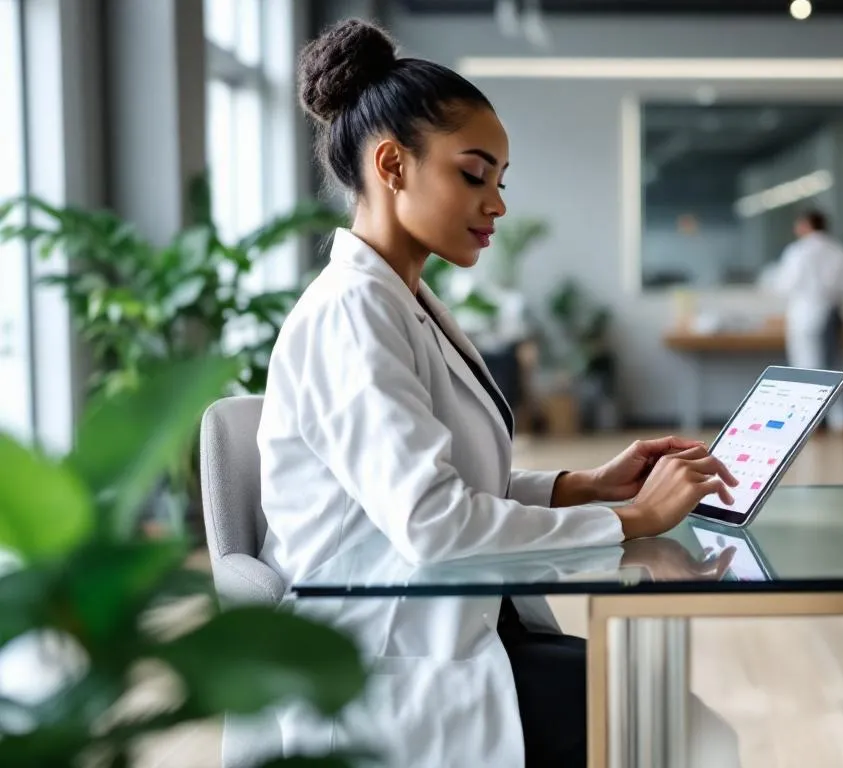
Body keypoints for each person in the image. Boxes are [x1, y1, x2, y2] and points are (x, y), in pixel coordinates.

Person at [254, 19, 740, 767]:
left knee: (678, 718)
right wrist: (634, 516)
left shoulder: (398, 303)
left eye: (500, 182)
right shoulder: (351, 315)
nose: (497, 204)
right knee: (689, 734)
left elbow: (438, 484)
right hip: (389, 665)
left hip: (458, 629)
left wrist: (583, 486)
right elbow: (432, 524)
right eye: (474, 175)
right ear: (391, 164)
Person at [762, 209, 843, 431]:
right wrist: (833, 294)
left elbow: (785, 285)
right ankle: (841, 420)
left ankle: (808, 422)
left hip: (805, 316)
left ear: (806, 225)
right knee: (834, 367)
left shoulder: (798, 251)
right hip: (832, 314)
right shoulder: (840, 251)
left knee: (806, 369)